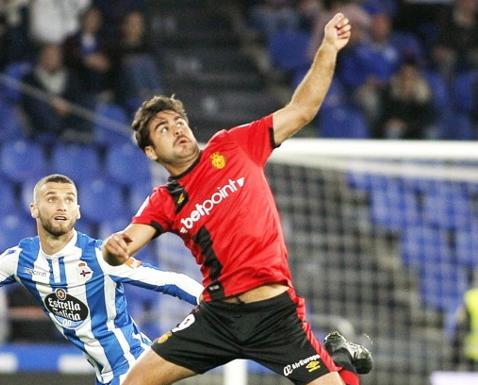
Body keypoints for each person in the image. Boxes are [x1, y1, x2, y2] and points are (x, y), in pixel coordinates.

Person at [102, 13, 372, 385]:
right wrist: (115, 250)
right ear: (151, 152)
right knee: (132, 382)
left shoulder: (232, 146)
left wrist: (327, 48)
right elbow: (127, 242)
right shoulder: (164, 199)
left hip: (275, 316)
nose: (176, 128)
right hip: (217, 319)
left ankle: (338, 363)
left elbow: (302, 110)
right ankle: (338, 360)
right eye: (163, 129)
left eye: (178, 120)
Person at [0, 174, 202, 385]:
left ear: (77, 211)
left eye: (68, 200)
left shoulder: (101, 255)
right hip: (105, 376)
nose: (61, 205)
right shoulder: (20, 259)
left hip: (136, 368)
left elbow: (171, 281)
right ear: (34, 209)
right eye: (52, 199)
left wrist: (213, 301)